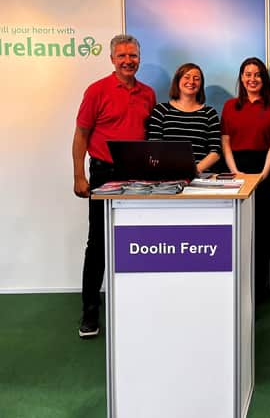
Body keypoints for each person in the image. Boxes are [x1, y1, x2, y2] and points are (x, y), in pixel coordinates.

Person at [72, 34, 156, 338]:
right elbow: (81, 134)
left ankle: (135, 307)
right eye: (121, 56)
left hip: (137, 175)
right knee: (98, 244)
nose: (127, 61)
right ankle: (90, 314)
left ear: (139, 58)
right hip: (103, 174)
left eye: (132, 55)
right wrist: (79, 176)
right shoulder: (97, 91)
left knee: (137, 240)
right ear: (112, 60)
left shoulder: (148, 94)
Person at [221, 57, 270, 303]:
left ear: (263, 79)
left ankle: (259, 291)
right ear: (241, 78)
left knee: (262, 230)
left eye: (257, 74)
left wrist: (264, 173)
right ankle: (237, 287)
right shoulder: (229, 106)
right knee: (237, 229)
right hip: (235, 169)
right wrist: (235, 171)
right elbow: (225, 141)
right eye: (247, 74)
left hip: (265, 169)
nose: (252, 79)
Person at [147, 63, 221, 173]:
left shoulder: (209, 113)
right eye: (186, 77)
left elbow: (215, 151)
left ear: (201, 84)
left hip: (200, 177)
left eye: (196, 79)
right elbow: (154, 146)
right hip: (167, 176)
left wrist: (194, 171)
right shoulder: (161, 110)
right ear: (177, 81)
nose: (191, 82)